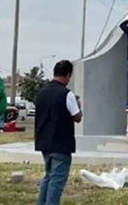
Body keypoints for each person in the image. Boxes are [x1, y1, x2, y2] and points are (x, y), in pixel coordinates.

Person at [35, 60, 83, 205]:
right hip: (61, 143)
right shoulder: (66, 94)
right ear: (68, 75)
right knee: (57, 180)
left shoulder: (42, 93)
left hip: (44, 142)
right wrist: (78, 106)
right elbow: (77, 117)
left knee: (49, 177)